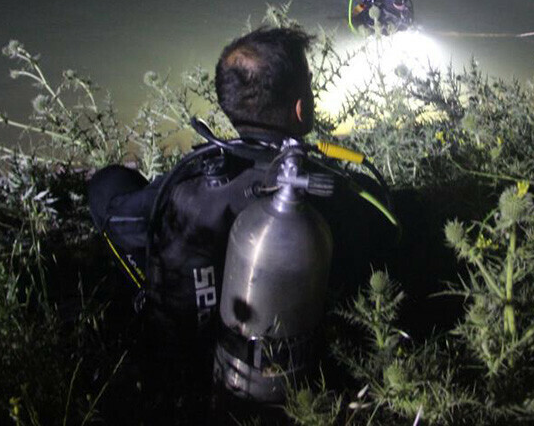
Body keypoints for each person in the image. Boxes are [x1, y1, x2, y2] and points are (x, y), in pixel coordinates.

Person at [87, 27, 391, 423]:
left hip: (181, 367)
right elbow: (382, 237)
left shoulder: (191, 178)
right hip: (302, 379)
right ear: (301, 109)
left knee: (109, 181)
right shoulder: (336, 191)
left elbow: (122, 217)